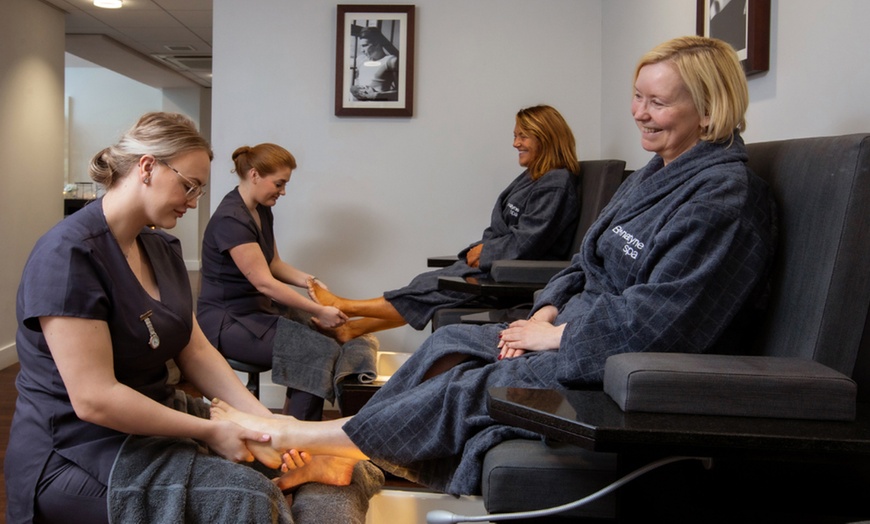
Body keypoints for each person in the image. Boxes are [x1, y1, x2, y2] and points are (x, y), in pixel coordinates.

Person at [211, 35, 777, 497]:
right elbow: (583, 259)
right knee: (448, 341)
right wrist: (548, 309)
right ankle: (350, 452)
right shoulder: (659, 172)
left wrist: (554, 337)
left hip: (622, 362)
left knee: (472, 386)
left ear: (708, 109)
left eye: (658, 103)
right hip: (571, 326)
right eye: (637, 96)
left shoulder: (724, 200)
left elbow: (666, 322)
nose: (639, 113)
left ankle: (297, 433)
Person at [4, 113, 372, 524]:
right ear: (147, 167)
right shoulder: (68, 256)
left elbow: (195, 349)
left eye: (199, 188)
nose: (194, 200)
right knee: (246, 495)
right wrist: (212, 431)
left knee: (313, 453)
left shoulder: (162, 248)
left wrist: (262, 421)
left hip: (156, 415)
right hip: (78, 448)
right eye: (189, 185)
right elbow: (95, 399)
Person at [308, 104, 582, 343]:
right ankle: (351, 330)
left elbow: (530, 241)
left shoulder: (556, 183)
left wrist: (486, 253)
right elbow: (504, 229)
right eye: (515, 136)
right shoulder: (534, 177)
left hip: (517, 275)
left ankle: (346, 307)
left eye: (523, 136)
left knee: (432, 289)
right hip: (501, 265)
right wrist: (481, 250)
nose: (515, 143)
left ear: (545, 138)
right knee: (427, 283)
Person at [197, 144, 348, 421]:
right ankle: (300, 437)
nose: (283, 191)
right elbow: (265, 283)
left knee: (329, 336)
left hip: (255, 311)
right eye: (279, 183)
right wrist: (318, 310)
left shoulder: (261, 209)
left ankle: (293, 422)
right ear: (254, 174)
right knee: (316, 350)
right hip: (228, 322)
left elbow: (274, 265)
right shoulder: (231, 219)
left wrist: (310, 281)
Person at [350, 26, 399, 101]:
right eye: (361, 46)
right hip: (356, 107)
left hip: (378, 107)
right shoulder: (360, 59)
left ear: (377, 43)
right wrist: (353, 89)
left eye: (365, 46)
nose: (362, 50)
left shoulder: (391, 61)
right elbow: (357, 82)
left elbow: (402, 93)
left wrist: (377, 95)